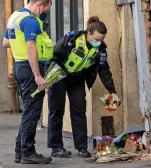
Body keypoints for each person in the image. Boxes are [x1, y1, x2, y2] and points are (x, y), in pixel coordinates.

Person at [47, 16, 121, 158]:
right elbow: (54, 56)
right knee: (56, 111)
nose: (98, 42)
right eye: (96, 39)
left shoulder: (100, 50)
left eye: (101, 40)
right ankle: (56, 147)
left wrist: (112, 91)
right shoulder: (71, 39)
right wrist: (47, 78)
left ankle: (81, 147)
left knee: (79, 111)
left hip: (77, 78)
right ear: (88, 33)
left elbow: (104, 70)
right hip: (58, 75)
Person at [3, 0, 53, 164]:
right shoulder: (31, 20)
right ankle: (27, 152)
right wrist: (38, 75)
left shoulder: (15, 17)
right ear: (39, 4)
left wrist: (20, 45)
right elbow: (31, 48)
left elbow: (6, 42)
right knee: (32, 111)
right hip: (30, 68)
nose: (44, 13)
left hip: (19, 66)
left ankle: (20, 150)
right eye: (45, 10)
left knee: (28, 110)